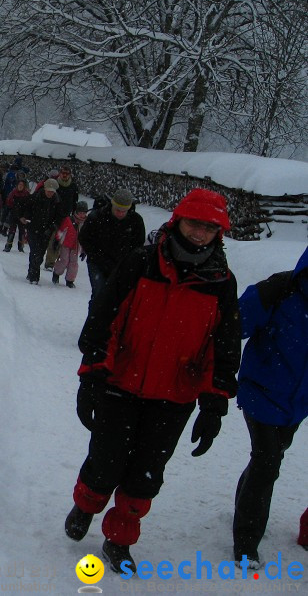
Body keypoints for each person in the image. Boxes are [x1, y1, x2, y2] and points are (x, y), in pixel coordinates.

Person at [65, 188, 241, 574]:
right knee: (105, 463)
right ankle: (86, 504)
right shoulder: (141, 262)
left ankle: (119, 538)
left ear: (219, 234)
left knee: (146, 473)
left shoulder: (221, 283)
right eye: (195, 224)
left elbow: (223, 348)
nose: (200, 234)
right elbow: (103, 320)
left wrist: (214, 403)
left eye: (210, 228)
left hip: (173, 397)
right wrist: (91, 377)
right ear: (179, 221)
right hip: (120, 385)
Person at [232, 246, 308, 569]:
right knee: (267, 463)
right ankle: (246, 543)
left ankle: (242, 504)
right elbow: (235, 323)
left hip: (297, 403)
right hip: (261, 391)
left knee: (266, 460)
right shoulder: (282, 289)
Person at [78, 188, 145, 303]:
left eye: (124, 211)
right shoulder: (97, 217)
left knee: (118, 299)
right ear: (112, 204)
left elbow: (138, 244)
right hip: (97, 263)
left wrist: (128, 261)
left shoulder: (136, 221)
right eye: (118, 209)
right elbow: (84, 238)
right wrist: (98, 256)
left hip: (121, 265)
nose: (120, 213)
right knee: (99, 294)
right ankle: (95, 319)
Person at [16, 177, 63, 284]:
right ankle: (34, 276)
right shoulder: (35, 197)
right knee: (35, 252)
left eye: (52, 192)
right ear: (45, 189)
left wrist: (53, 227)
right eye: (49, 191)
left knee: (40, 253)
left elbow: (59, 217)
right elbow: (23, 206)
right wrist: (23, 217)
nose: (50, 193)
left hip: (47, 231)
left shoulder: (57, 201)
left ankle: (31, 272)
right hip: (33, 228)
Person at [44, 166, 80, 270]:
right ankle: (50, 263)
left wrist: (74, 216)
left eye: (67, 173)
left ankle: (59, 261)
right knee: (54, 239)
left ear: (70, 175)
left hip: (67, 218)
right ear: (60, 173)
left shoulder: (73, 186)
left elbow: (75, 202)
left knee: (63, 241)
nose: (64, 175)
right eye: (63, 173)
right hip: (54, 216)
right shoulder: (55, 184)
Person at [52, 200, 88, 288]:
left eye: (84, 213)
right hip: (66, 245)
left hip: (76, 247)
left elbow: (85, 238)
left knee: (74, 263)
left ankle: (70, 280)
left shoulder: (85, 223)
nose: (82, 215)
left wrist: (84, 250)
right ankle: (56, 273)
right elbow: (61, 231)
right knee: (64, 261)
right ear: (76, 212)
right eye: (80, 213)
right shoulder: (69, 220)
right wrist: (57, 241)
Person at [2, 174, 30, 253]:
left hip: (23, 216)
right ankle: (8, 245)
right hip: (14, 215)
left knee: (22, 231)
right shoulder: (13, 193)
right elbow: (9, 204)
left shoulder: (26, 194)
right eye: (19, 184)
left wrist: (25, 216)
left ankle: (20, 247)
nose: (20, 186)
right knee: (12, 231)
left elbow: (28, 205)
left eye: (22, 185)